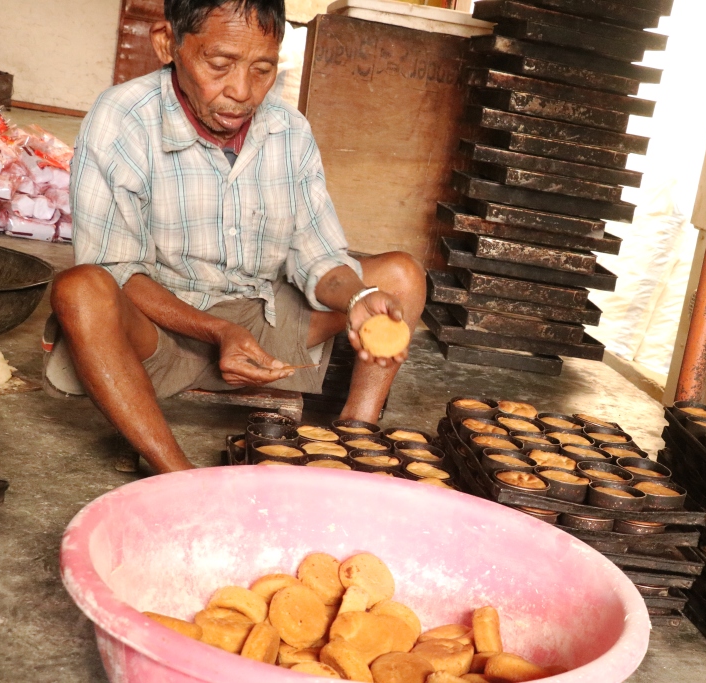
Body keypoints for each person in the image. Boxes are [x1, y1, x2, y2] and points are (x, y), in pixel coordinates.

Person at [44, 0, 426, 474]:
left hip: (261, 316)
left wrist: (358, 297)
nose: (242, 92)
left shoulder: (289, 132)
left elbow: (318, 257)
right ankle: (176, 476)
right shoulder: (122, 119)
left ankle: (355, 441)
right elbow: (117, 269)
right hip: (161, 327)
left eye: (262, 69)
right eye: (219, 65)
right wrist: (218, 330)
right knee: (81, 288)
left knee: (400, 278)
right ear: (168, 42)